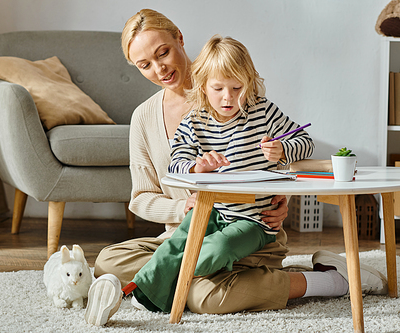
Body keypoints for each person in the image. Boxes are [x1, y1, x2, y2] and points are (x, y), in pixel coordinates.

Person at [84, 9, 388, 327]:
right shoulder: (145, 117)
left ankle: (329, 281)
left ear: (180, 40)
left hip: (248, 226)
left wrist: (282, 196)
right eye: (145, 65)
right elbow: (141, 197)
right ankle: (174, 281)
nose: (159, 69)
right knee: (108, 261)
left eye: (163, 53)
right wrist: (182, 207)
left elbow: (281, 156)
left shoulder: (239, 95)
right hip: (184, 235)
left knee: (203, 295)